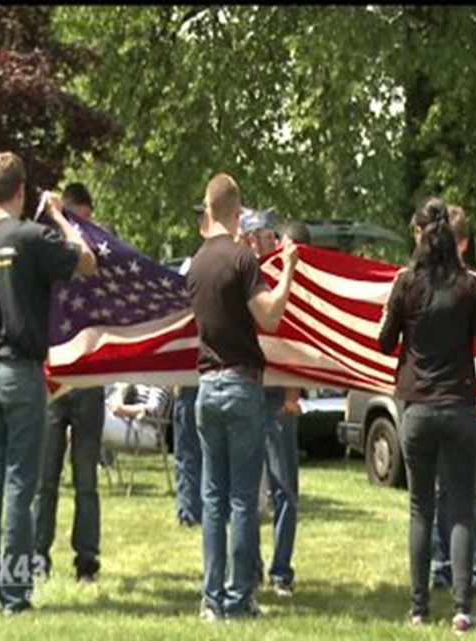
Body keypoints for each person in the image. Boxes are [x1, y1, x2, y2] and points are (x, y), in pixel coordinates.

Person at [0, 152, 97, 617]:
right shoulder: (31, 235)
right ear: (21, 191)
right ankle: (16, 595)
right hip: (21, 372)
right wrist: (60, 215)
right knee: (21, 486)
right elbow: (87, 263)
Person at [379, 197, 476, 634]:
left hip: (417, 407)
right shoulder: (468, 285)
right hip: (460, 404)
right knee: (462, 510)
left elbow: (383, 341)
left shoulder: (405, 283)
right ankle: (463, 610)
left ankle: (419, 609)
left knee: (420, 509)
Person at [187, 173, 297, 620]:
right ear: (237, 211)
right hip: (240, 385)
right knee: (240, 498)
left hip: (205, 387)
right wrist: (287, 268)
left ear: (208, 209)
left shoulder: (195, 264)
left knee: (212, 497)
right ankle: (238, 598)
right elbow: (269, 317)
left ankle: (210, 600)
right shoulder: (241, 258)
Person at [33, 182, 108, 583]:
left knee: (85, 479)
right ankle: (37, 557)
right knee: (45, 479)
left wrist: (66, 220)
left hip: (89, 377)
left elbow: (93, 262)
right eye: (77, 216)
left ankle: (87, 560)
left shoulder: (98, 249)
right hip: (53, 377)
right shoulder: (48, 247)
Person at [239, 209, 304, 598]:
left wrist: (294, 392)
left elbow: (297, 337)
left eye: (268, 235)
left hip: (279, 397)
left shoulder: (282, 278)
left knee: (284, 491)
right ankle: (251, 568)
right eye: (259, 235)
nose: (265, 241)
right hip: (247, 391)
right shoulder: (239, 275)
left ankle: (281, 572)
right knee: (246, 491)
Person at [429, 205, 476, 595]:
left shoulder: (473, 285)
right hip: (435, 400)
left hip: (469, 401)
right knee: (438, 489)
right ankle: (441, 565)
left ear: (465, 243)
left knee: (469, 489)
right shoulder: (425, 282)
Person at [172, 203, 210, 528]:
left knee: (196, 448)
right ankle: (190, 509)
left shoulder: (192, 267)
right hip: (193, 370)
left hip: (201, 370)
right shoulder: (191, 266)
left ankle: (193, 510)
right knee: (190, 448)